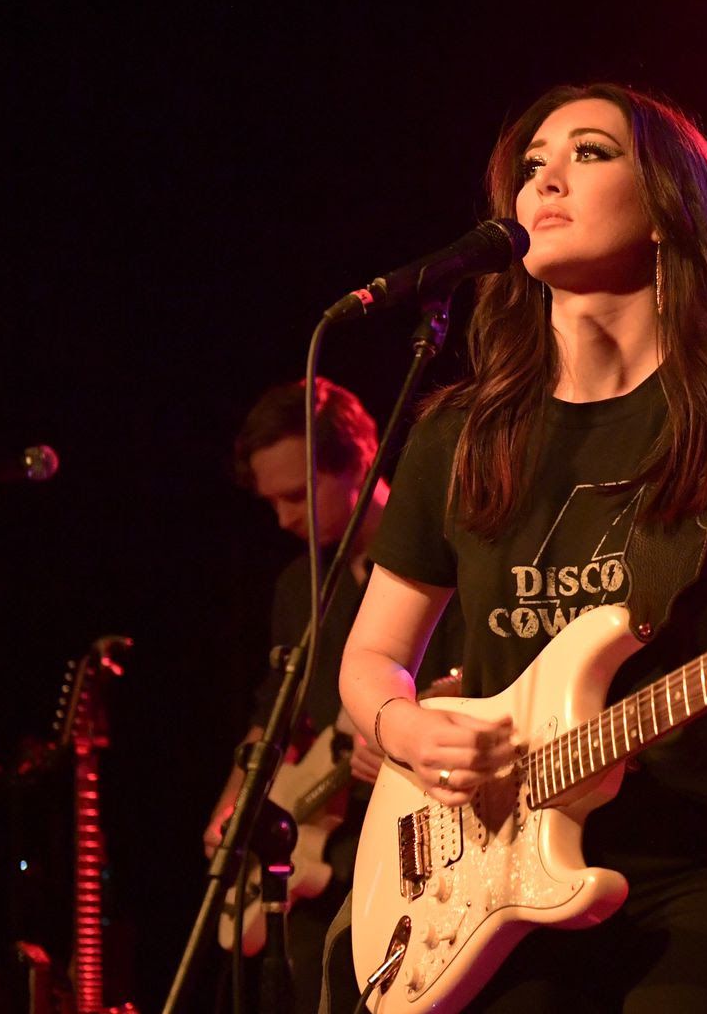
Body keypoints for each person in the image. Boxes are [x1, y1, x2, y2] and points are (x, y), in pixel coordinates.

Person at [337, 83, 707, 1013]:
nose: (546, 180)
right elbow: (371, 657)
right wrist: (405, 730)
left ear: (665, 206)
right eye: (532, 164)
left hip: (700, 861)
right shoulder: (457, 432)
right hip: (487, 873)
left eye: (589, 152)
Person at [205, 378, 458, 1014]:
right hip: (325, 866)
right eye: (272, 502)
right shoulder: (300, 585)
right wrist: (235, 806)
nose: (284, 518)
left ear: (360, 459)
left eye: (297, 495)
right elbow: (274, 713)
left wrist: (407, 728)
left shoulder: (447, 549)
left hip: (427, 847)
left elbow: (483, 680)